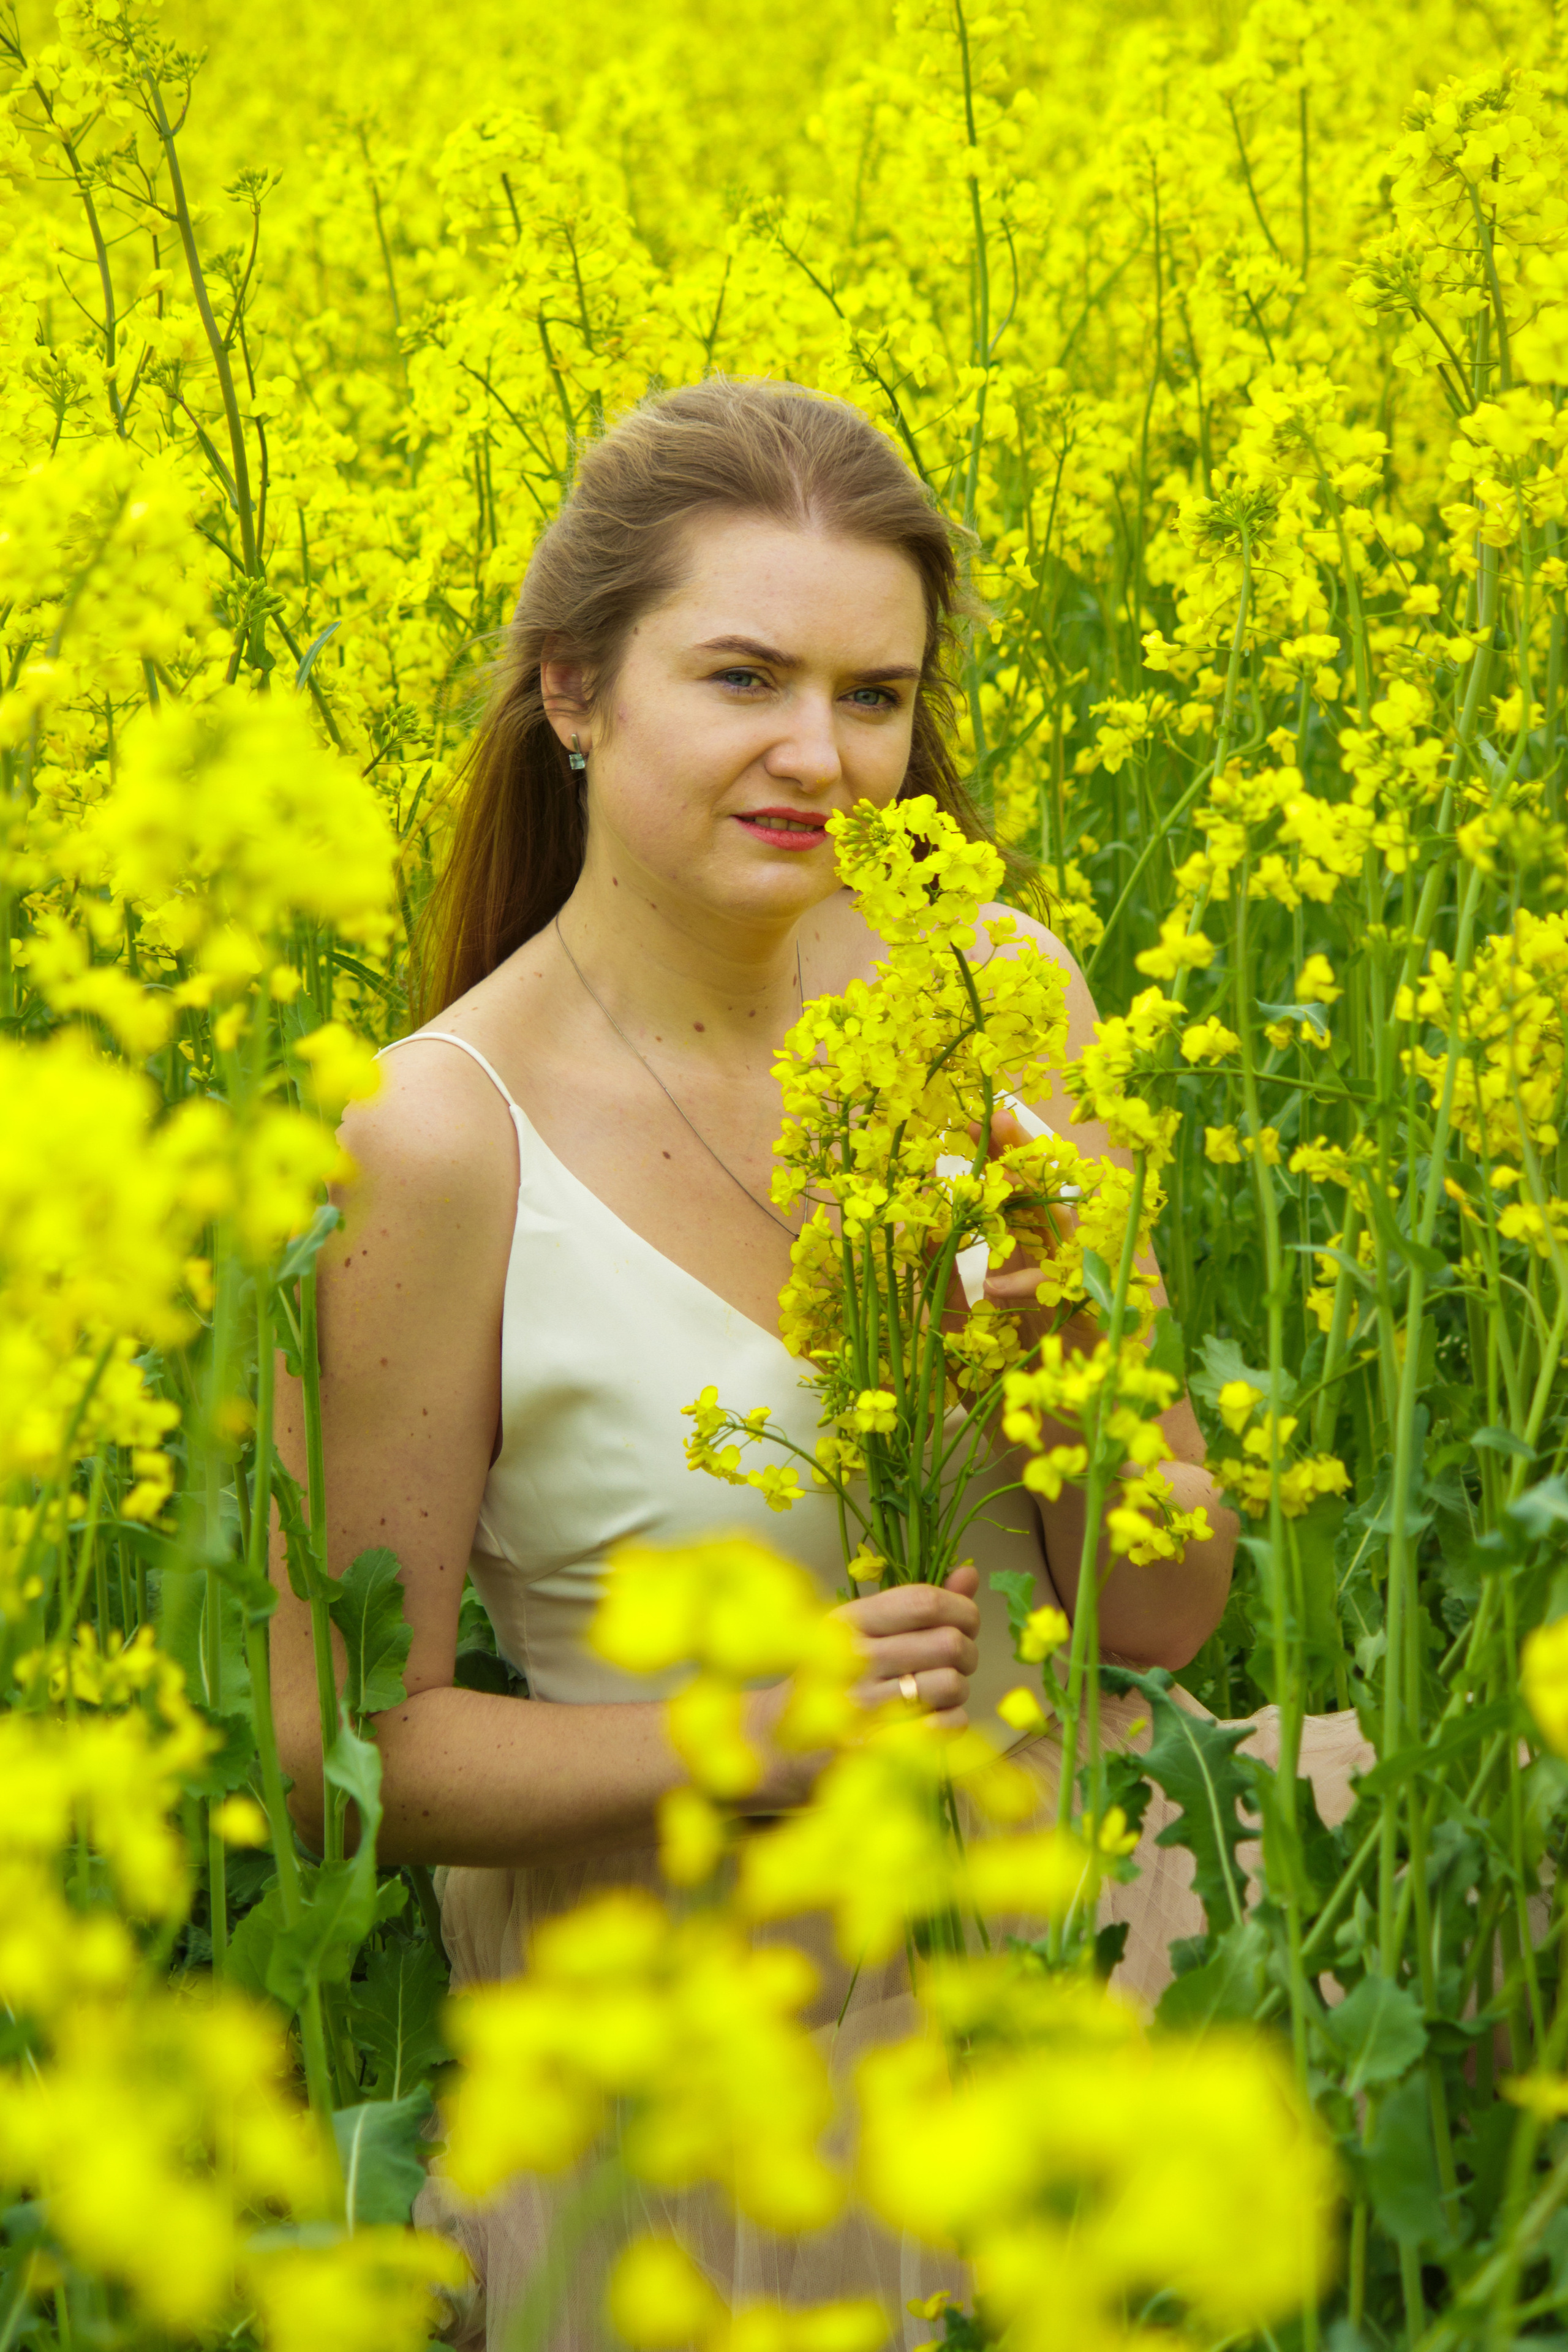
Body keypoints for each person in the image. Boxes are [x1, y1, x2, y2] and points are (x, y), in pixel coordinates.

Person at [267, 379, 1347, 2348]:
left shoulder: (999, 999)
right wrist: (740, 1744)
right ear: (575, 695)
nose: (823, 758)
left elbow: (1174, 1614)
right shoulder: (437, 1137)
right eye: (745, 677)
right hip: (707, 2005)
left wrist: (1076, 1361)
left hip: (1073, 1883)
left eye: (877, 697)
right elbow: (335, 1763)